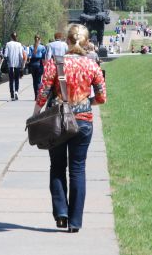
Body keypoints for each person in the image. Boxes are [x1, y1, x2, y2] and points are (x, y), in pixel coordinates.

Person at [32, 24, 106, 233]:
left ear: (67, 41)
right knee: (78, 169)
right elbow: (101, 97)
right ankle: (75, 221)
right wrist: (83, 103)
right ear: (85, 42)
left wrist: (35, 116)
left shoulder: (56, 64)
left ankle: (61, 212)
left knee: (57, 167)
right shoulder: (92, 65)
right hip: (83, 122)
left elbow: (43, 92)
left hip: (57, 122)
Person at [3, 32, 26, 101]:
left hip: (10, 65)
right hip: (17, 65)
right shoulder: (19, 44)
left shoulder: (8, 44)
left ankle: (12, 95)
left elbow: (5, 55)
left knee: (11, 80)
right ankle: (16, 91)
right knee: (16, 79)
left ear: (11, 37)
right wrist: (22, 64)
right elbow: (21, 56)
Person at [27, 34, 47, 99]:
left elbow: (29, 56)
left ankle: (35, 95)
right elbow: (44, 57)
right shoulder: (42, 47)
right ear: (40, 39)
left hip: (33, 64)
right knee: (39, 80)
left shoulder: (31, 47)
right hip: (39, 64)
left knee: (34, 80)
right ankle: (39, 94)